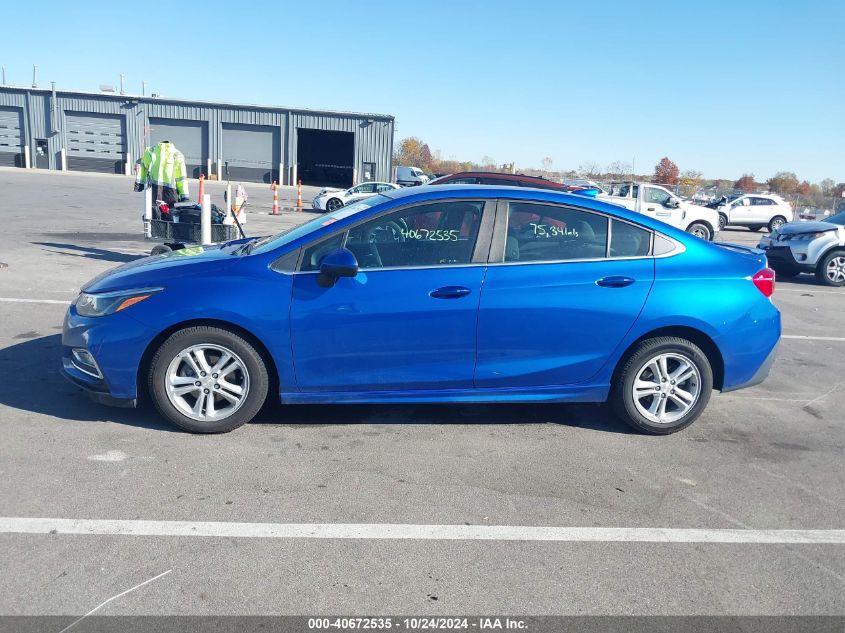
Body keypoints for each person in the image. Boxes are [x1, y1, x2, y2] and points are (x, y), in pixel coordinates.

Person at [134, 140, 190, 205]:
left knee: (155, 212)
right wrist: (184, 197)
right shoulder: (150, 151)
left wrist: (139, 184)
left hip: (157, 191)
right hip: (169, 193)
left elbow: (143, 167)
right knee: (167, 213)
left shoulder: (176, 155)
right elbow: (181, 178)